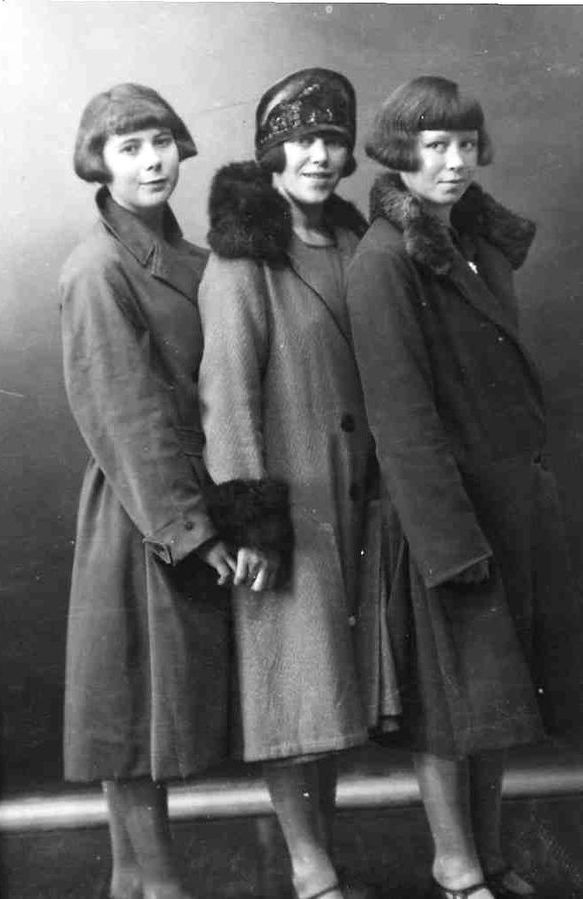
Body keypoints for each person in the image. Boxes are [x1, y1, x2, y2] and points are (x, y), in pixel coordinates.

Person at [346, 75, 566, 899]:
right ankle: (455, 864)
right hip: (444, 519)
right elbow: (401, 420)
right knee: (448, 704)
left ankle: (491, 853)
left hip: (507, 507)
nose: (453, 161)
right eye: (433, 145)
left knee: (497, 697)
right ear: (399, 153)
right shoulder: (383, 261)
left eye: (464, 144)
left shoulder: (474, 241)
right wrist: (448, 543)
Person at [59, 83, 272, 899]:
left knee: (153, 706)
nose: (151, 162)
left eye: (159, 142)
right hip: (143, 507)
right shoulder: (98, 268)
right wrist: (191, 530)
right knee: (136, 713)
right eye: (128, 148)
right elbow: (124, 414)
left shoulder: (194, 258)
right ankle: (159, 886)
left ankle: (134, 882)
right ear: (99, 164)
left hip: (186, 496)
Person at [198, 68, 388, 899]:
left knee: (332, 689)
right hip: (292, 502)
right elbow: (227, 397)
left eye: (333, 140)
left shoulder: (354, 245)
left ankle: (324, 854)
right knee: (289, 683)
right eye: (302, 140)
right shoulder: (241, 261)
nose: (318, 156)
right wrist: (251, 520)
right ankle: (311, 870)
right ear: (272, 152)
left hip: (360, 498)